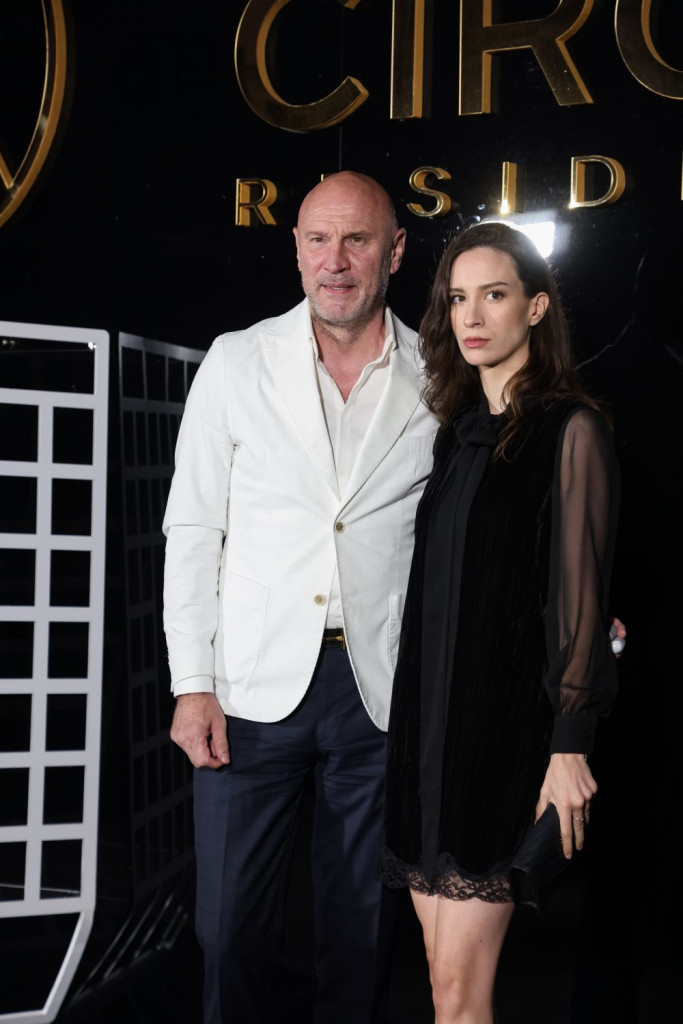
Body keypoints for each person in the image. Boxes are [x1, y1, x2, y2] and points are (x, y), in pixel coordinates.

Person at [162, 170, 440, 1024]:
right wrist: (191, 683)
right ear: (295, 250)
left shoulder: (440, 370)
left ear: (395, 251)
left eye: (356, 240)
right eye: (318, 239)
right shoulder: (236, 360)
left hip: (380, 689)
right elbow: (194, 527)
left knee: (361, 932)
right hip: (248, 688)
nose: (335, 260)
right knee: (228, 931)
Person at [380, 221, 621, 1024]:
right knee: (440, 983)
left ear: (536, 307)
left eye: (494, 294)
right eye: (458, 298)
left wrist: (569, 743)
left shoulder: (571, 429)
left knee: (458, 991)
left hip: (504, 741)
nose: (472, 316)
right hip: (425, 742)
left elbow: (580, 602)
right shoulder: (454, 438)